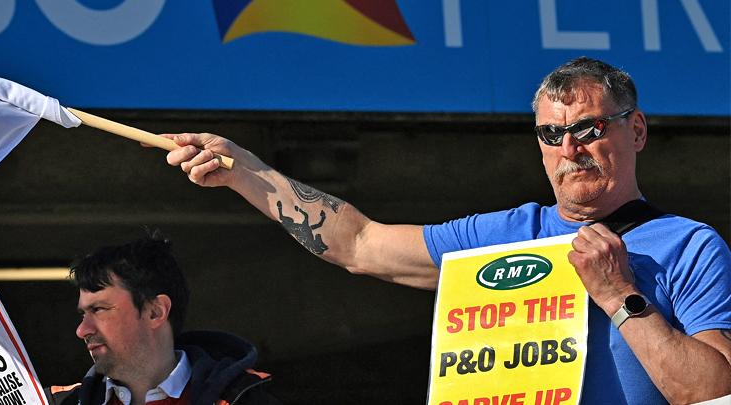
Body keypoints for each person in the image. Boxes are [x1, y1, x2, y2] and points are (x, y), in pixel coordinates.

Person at [164, 57, 731, 405]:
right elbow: (359, 244)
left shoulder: (688, 246)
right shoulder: (507, 234)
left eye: (588, 128)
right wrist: (244, 171)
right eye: (551, 135)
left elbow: (712, 393)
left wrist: (619, 295)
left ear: (635, 130)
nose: (570, 149)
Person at [45, 234, 279, 405]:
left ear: (155, 312)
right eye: (83, 313)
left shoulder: (246, 399)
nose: (82, 330)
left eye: (98, 309)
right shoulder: (55, 402)